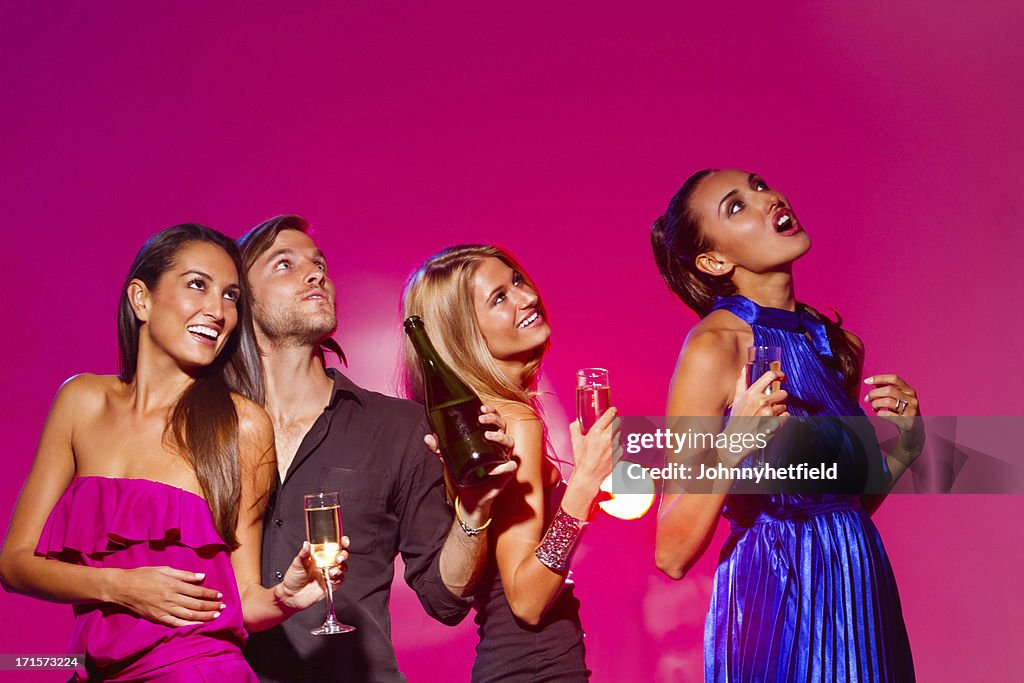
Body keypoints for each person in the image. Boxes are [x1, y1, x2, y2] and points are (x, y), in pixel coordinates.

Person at [0, 224, 341, 682]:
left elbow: (242, 600)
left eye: (231, 296)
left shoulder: (241, 425)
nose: (217, 310)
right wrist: (119, 586)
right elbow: (14, 563)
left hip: (196, 669)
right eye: (197, 285)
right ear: (141, 300)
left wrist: (285, 597)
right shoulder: (81, 401)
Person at [650, 170, 924, 682]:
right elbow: (670, 552)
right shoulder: (715, 348)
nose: (768, 198)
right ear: (714, 261)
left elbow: (843, 501)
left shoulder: (837, 345)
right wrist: (733, 448)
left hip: (857, 581)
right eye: (736, 207)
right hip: (776, 589)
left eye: (759, 186)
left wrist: (907, 446)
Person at [237, 217, 515, 683]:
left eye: (319, 263)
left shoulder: (399, 427)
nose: (315, 273)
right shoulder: (214, 430)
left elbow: (445, 600)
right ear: (240, 300)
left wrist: (473, 513)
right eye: (284, 263)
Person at [400, 244, 621, 683]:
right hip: (535, 669)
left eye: (517, 281)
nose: (527, 297)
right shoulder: (514, 421)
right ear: (466, 335)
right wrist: (584, 485)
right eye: (499, 298)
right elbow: (525, 599)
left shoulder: (488, 421)